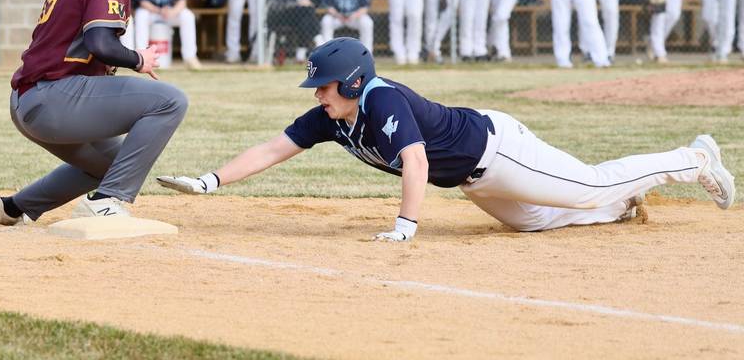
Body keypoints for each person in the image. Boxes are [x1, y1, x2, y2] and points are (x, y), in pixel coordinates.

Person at [157, 37, 735, 240]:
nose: (317, 95)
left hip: (497, 150)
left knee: (582, 187)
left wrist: (406, 225)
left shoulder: (382, 98)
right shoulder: (335, 116)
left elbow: (413, 160)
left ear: (354, 81)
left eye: (325, 86)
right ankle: (620, 208)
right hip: (472, 178)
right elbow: (272, 149)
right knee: (536, 222)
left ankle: (692, 159)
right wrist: (209, 180)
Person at [0, 0, 188, 225]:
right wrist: (138, 59)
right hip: (54, 98)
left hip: (29, 101)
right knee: (171, 101)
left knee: (113, 164)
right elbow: (99, 42)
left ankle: (12, 208)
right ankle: (107, 200)